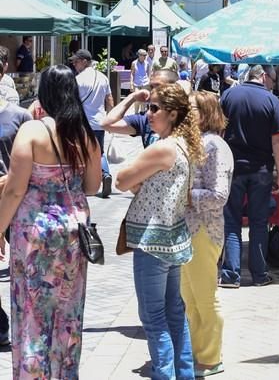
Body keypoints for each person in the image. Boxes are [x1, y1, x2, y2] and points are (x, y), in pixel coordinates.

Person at [0, 65, 102, 378]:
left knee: (32, 314)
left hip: (34, 235)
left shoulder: (32, 130)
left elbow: (16, 189)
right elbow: (92, 186)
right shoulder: (83, 134)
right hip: (73, 234)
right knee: (67, 313)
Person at [115, 83, 204, 380]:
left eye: (154, 108)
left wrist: (137, 181)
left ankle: (166, 374)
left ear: (173, 113)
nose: (148, 114)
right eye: (148, 107)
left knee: (154, 318)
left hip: (153, 241)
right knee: (174, 314)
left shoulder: (164, 147)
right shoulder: (183, 145)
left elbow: (121, 178)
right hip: (172, 239)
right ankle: (184, 373)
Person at [181, 91, 233, 378]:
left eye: (192, 110)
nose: (186, 114)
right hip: (188, 230)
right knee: (189, 297)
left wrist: (184, 195)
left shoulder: (215, 146)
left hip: (204, 229)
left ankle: (210, 358)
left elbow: (218, 195)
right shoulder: (196, 143)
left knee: (204, 297)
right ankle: (197, 355)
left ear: (207, 113)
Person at [220, 64, 279, 288]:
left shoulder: (229, 95)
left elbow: (219, 132)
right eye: (274, 80)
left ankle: (231, 275)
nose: (273, 85)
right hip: (261, 170)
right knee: (259, 222)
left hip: (233, 168)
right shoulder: (271, 101)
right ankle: (259, 274)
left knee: (232, 221)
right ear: (265, 76)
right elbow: (278, 142)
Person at [0, 86, 31, 348]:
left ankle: (28, 324)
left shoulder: (20, 116)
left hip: (16, 197)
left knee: (26, 266)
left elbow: (33, 163)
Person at [71, 49, 114, 198]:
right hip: (99, 122)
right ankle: (105, 174)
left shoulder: (78, 79)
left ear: (84, 61)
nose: (75, 65)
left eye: (76, 61)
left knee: (81, 152)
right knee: (99, 152)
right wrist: (109, 119)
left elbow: (73, 102)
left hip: (83, 123)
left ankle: (84, 182)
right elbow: (109, 100)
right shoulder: (103, 78)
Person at [101, 69, 178, 149]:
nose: (153, 91)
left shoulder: (183, 117)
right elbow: (107, 124)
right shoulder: (146, 119)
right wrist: (132, 97)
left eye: (158, 86)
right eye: (151, 87)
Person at [130, 49, 151, 114]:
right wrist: (131, 83)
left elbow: (148, 73)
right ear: (139, 55)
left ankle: (142, 113)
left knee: (143, 100)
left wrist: (149, 82)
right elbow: (132, 73)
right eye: (143, 55)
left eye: (145, 55)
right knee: (137, 99)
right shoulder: (134, 63)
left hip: (145, 83)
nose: (145, 56)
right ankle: (136, 113)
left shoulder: (147, 63)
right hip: (136, 83)